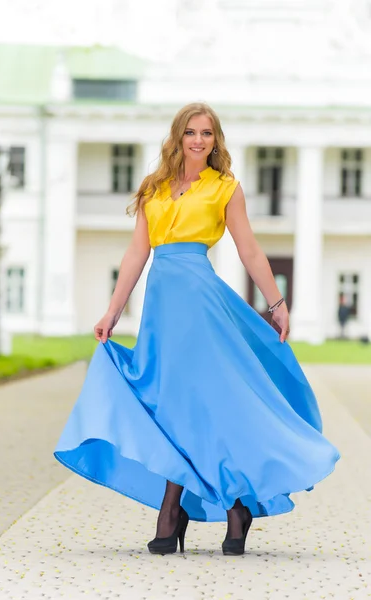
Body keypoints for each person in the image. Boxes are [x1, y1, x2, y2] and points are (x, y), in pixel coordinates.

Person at [54, 102, 340, 556]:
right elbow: (135, 255)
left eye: (207, 133)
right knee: (171, 403)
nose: (199, 140)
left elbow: (248, 250)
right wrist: (112, 311)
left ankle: (182, 512)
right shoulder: (153, 188)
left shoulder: (225, 188)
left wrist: (277, 302)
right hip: (162, 310)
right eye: (191, 132)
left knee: (200, 403)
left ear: (216, 140)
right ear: (178, 137)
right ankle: (220, 510)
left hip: (201, 306)